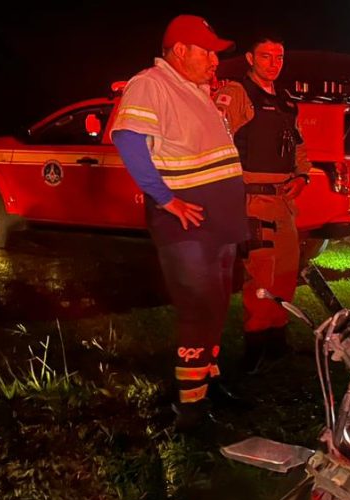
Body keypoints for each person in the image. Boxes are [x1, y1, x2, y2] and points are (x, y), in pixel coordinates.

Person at [110, 15, 247, 431]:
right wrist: (166, 199)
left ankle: (209, 379)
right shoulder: (152, 83)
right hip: (189, 228)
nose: (214, 60)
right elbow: (128, 140)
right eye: (206, 51)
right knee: (197, 308)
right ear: (180, 50)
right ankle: (190, 409)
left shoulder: (196, 90)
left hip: (217, 223)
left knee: (218, 303)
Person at [215, 37, 311, 375]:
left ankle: (277, 341)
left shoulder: (284, 101)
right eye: (266, 56)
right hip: (252, 199)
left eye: (279, 57)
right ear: (250, 58)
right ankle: (255, 345)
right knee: (261, 274)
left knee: (286, 271)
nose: (273, 63)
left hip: (283, 201)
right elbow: (218, 142)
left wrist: (302, 176)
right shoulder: (237, 94)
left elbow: (298, 144)